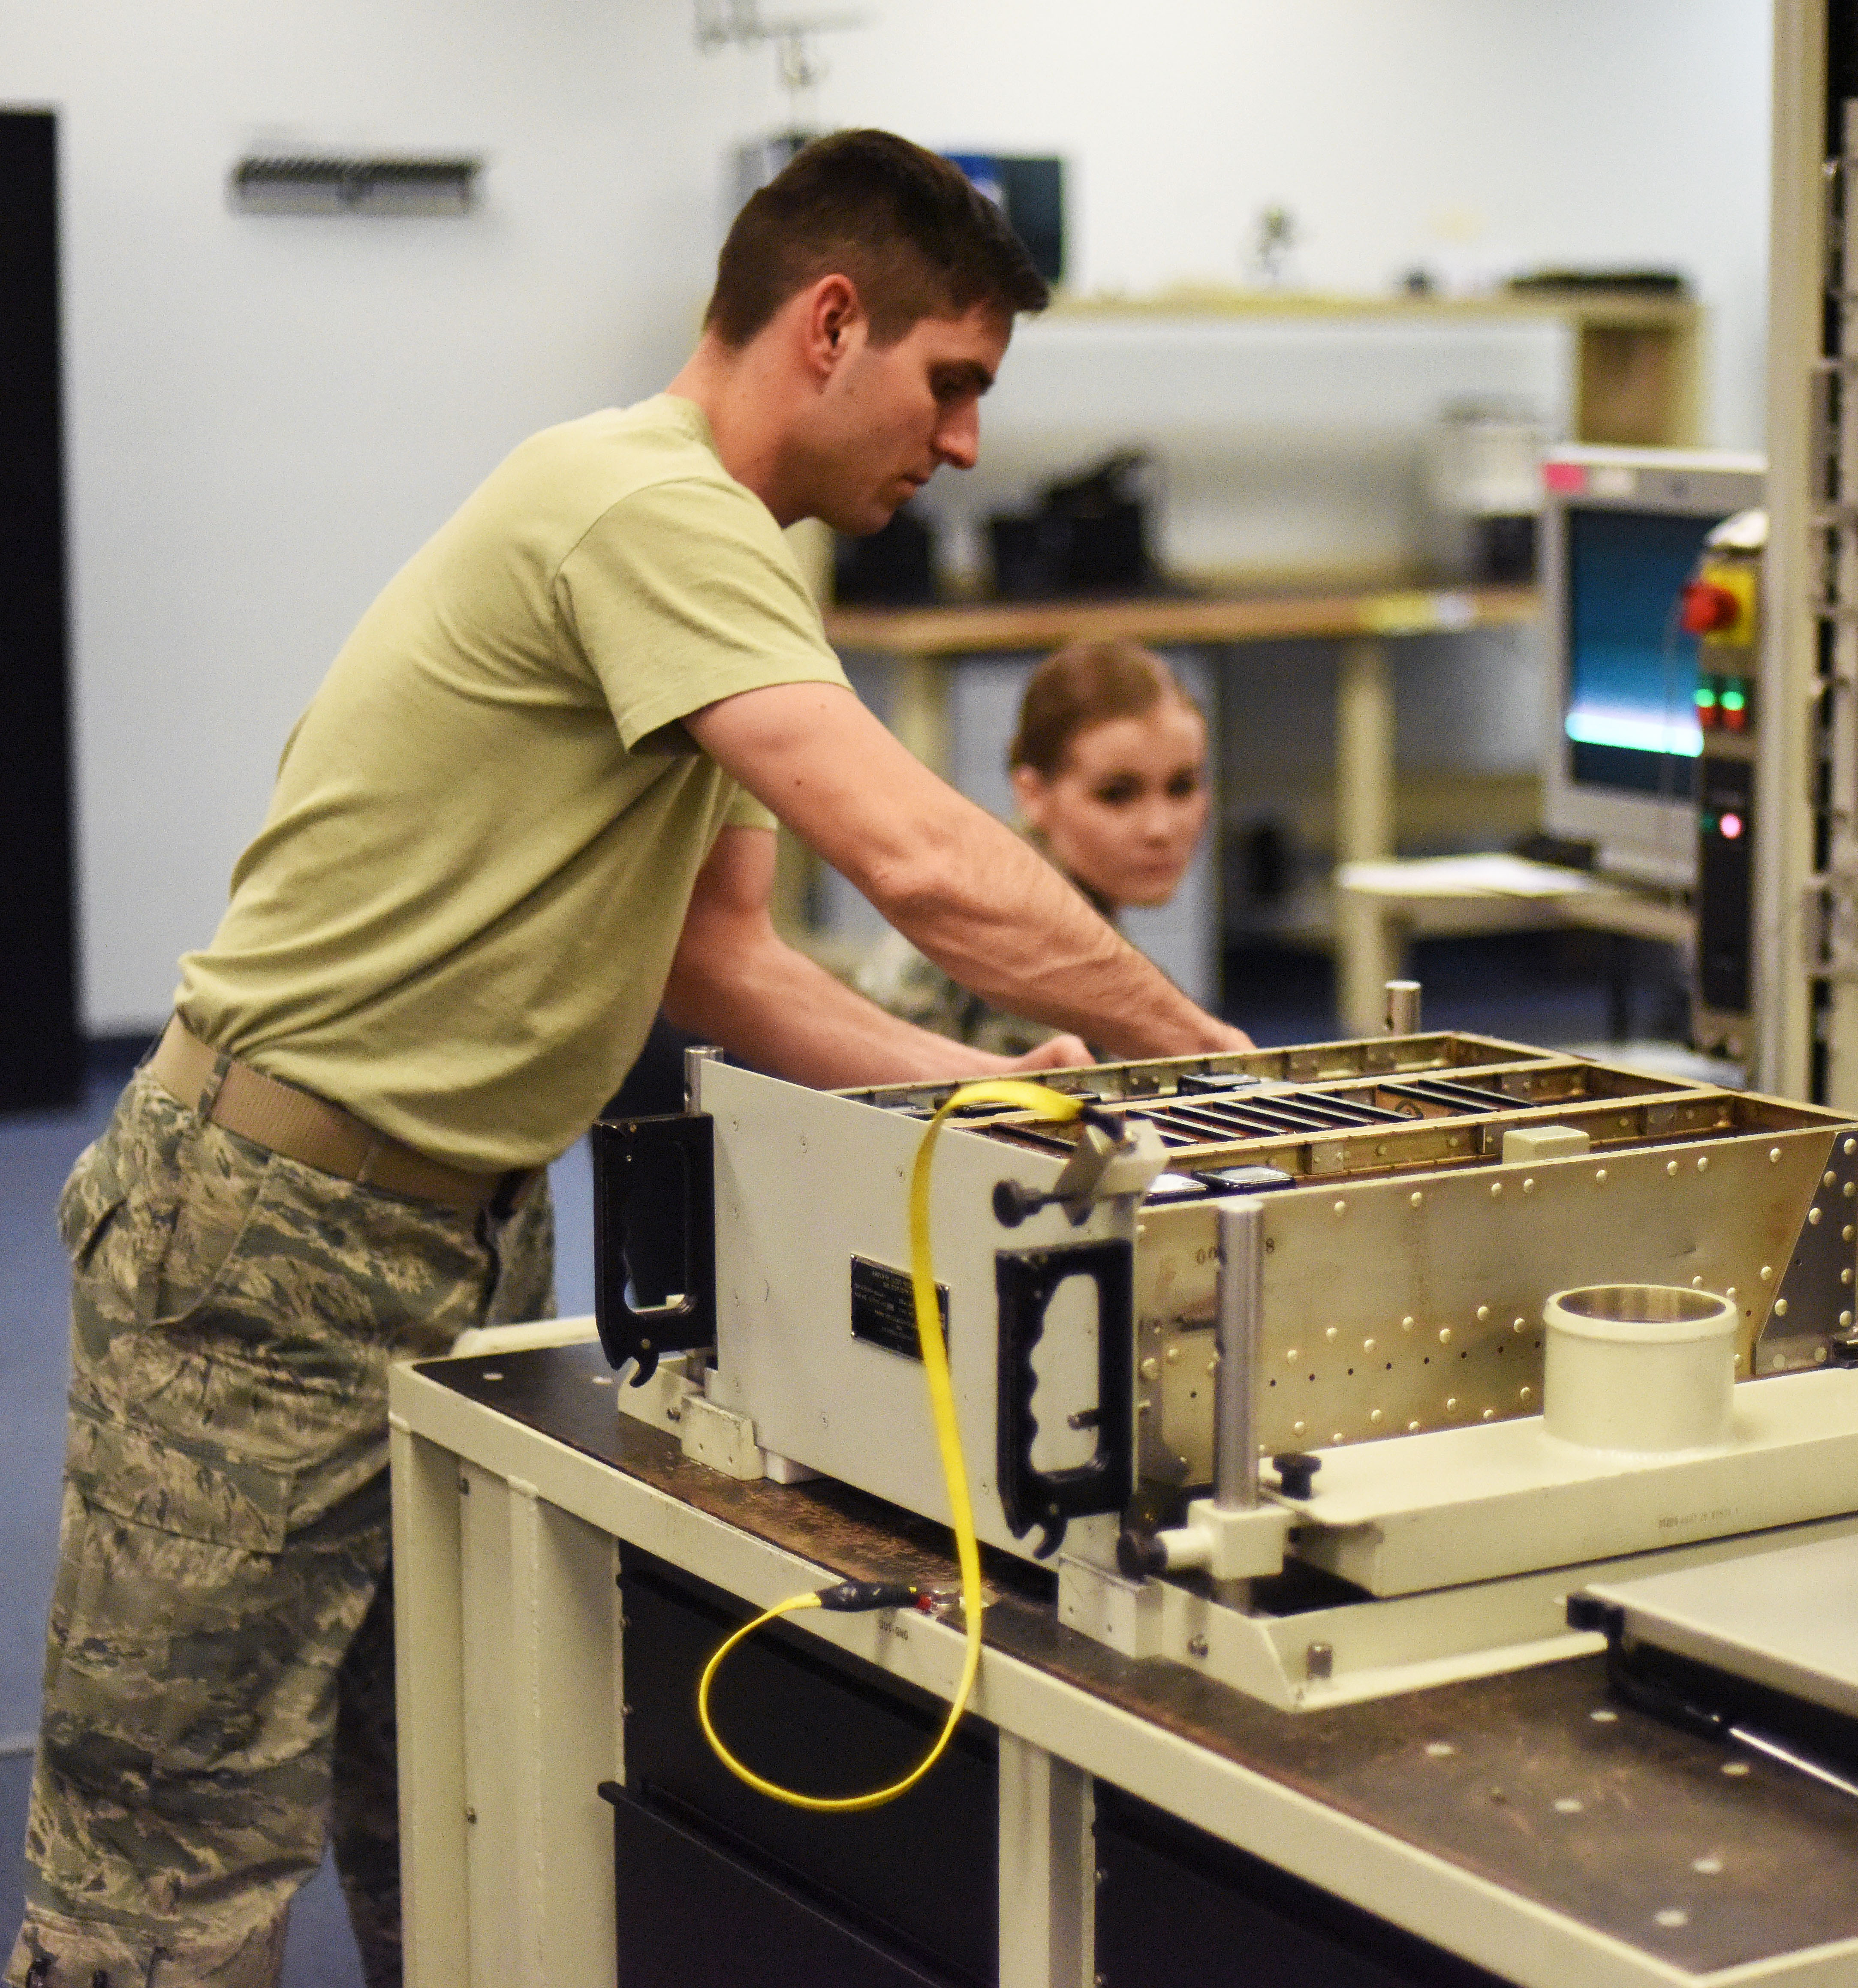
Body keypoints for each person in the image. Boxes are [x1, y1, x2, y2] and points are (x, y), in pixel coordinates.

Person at [9, 131, 1247, 1988]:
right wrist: (1200, 1054)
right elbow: (915, 859)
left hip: (459, 1239)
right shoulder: (636, 506)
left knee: (466, 1821)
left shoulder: (739, 561)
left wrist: (973, 1081)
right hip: (268, 1240)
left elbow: (718, 957)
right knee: (171, 1883)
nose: (969, 443)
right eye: (953, 382)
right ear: (832, 323)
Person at [861, 638, 1211, 1053]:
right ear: (1032, 793)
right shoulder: (1027, 939)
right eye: (1116, 794)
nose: (1160, 828)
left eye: (1182, 787)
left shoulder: (1048, 904)